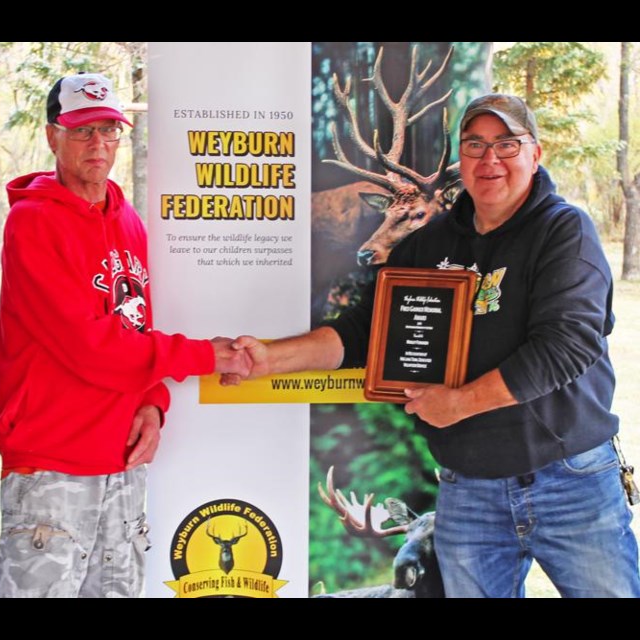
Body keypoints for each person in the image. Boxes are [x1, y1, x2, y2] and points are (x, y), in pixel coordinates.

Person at [229, 94, 640, 598]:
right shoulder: (430, 243)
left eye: (507, 144)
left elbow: (566, 345)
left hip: (569, 479)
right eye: (475, 145)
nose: (490, 159)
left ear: (535, 153)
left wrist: (460, 403)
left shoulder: (565, 231)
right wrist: (270, 357)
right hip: (469, 490)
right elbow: (364, 331)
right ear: (460, 160)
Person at [0, 72, 250, 598]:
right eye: (83, 130)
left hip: (120, 460)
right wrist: (205, 356)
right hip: (53, 465)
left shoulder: (127, 219)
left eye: (109, 130)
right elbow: (91, 347)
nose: (99, 144)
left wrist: (152, 403)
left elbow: (136, 323)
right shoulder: (34, 224)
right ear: (52, 135)